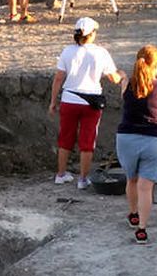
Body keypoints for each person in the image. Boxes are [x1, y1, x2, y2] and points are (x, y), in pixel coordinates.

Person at [50, 16, 124, 190]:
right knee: (87, 141)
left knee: (65, 138)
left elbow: (58, 78)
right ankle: (82, 179)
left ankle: (61, 174)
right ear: (91, 34)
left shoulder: (67, 51)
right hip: (91, 102)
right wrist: (122, 75)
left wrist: (53, 101)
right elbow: (113, 78)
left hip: (69, 99)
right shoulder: (100, 52)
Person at [115, 44, 157, 245]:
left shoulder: (126, 83)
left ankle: (133, 214)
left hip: (126, 139)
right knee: (145, 187)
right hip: (154, 140)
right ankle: (142, 229)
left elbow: (127, 101)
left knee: (131, 180)